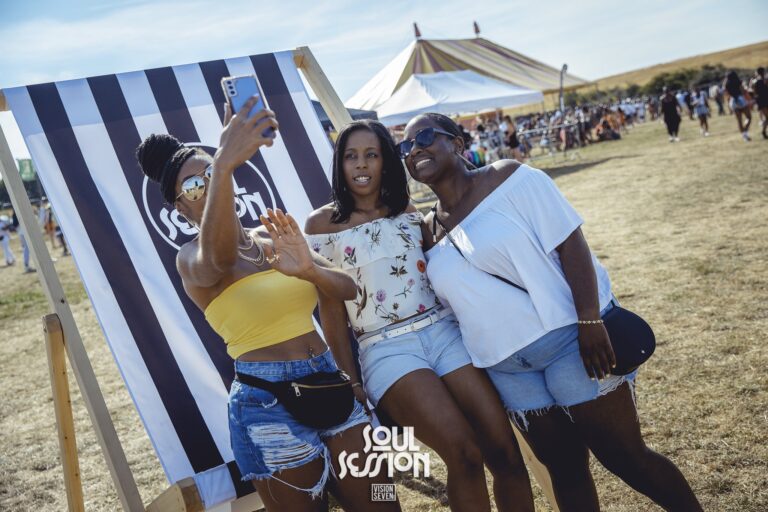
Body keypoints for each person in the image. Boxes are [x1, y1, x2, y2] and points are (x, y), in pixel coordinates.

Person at [401, 112, 704, 512]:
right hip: (509, 370)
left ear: (457, 143)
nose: (415, 149)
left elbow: (570, 241)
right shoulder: (427, 230)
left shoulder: (510, 178)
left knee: (625, 458)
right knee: (564, 469)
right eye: (405, 146)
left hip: (572, 344)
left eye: (424, 136)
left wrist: (589, 319)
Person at [136, 97, 399, 512]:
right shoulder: (190, 258)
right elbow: (220, 258)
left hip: (327, 382)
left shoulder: (271, 235)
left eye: (211, 173)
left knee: (383, 503)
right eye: (195, 186)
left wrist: (309, 270)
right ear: (180, 209)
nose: (209, 185)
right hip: (265, 405)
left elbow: (347, 288)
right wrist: (223, 164)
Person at [305, 120, 535, 512]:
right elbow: (331, 313)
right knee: (464, 453)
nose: (361, 164)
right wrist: (351, 382)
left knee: (506, 452)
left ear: (386, 161)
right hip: (385, 349)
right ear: (339, 164)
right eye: (351, 156)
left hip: (445, 333)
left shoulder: (409, 212)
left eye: (372, 154)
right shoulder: (321, 225)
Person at [723, 71, 752, 141]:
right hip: (740, 99)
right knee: (749, 117)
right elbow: (742, 91)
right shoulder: (738, 81)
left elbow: (725, 93)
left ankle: (744, 136)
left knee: (739, 120)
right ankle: (745, 130)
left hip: (733, 101)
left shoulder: (727, 84)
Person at [749, 67, 768, 139]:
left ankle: (763, 132)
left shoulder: (754, 81)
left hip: (761, 101)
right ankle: (763, 132)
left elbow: (752, 92)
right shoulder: (765, 79)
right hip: (765, 99)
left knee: (767, 117)